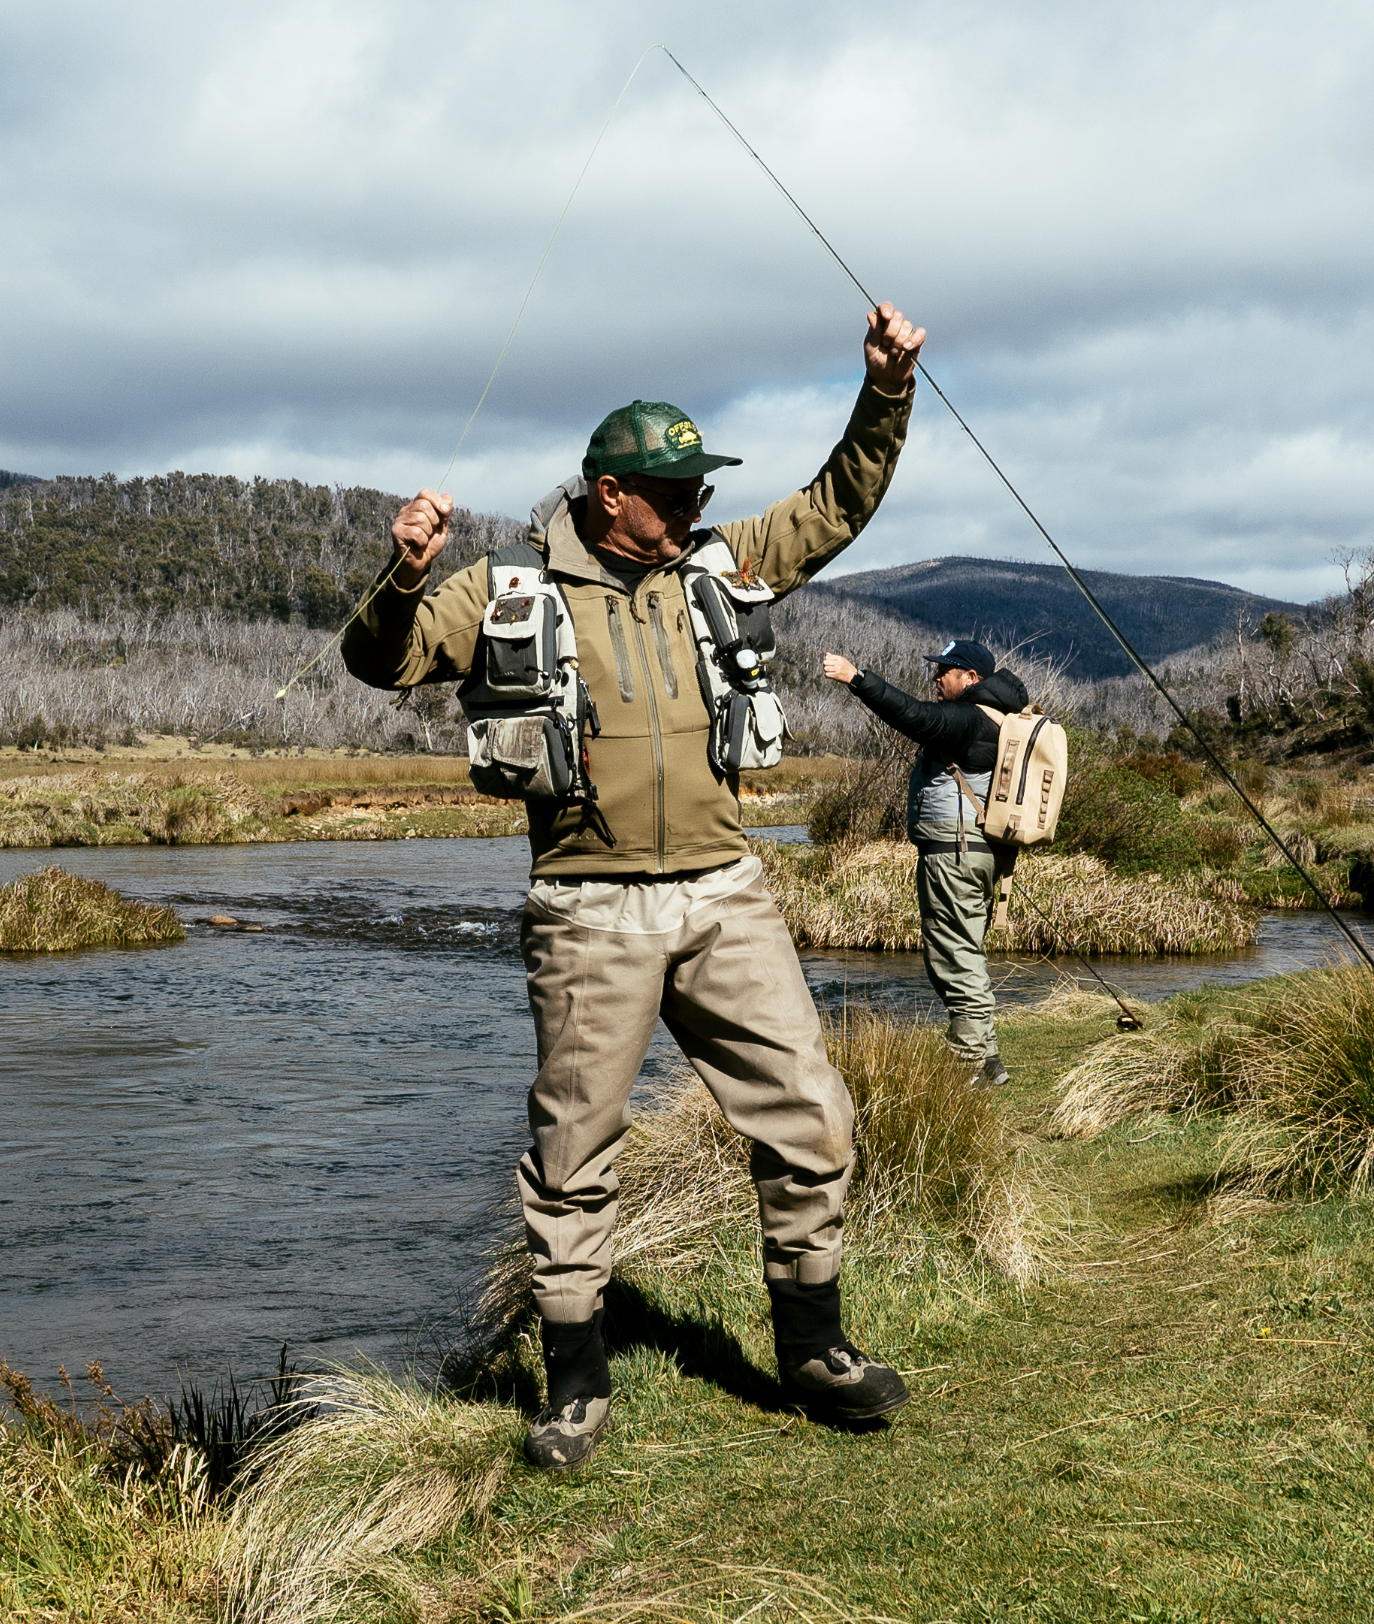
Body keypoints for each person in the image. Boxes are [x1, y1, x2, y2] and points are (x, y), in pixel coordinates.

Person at [342, 303, 926, 1472]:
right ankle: (575, 1384)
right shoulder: (504, 586)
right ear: (611, 493)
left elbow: (835, 505)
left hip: (726, 894)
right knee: (573, 1154)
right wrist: (404, 574)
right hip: (587, 909)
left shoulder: (716, 563)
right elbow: (382, 660)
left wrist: (886, 391)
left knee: (812, 1114)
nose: (697, 508)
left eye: (703, 489)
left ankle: (814, 1347)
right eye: (676, 492)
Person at [821, 639, 1029, 1088]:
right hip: (975, 853)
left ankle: (967, 1062)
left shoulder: (970, 718)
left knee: (954, 957)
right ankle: (988, 1059)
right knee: (964, 951)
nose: (936, 678)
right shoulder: (997, 718)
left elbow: (915, 716)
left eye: (945, 671)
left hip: (954, 854)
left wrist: (857, 679)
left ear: (970, 678)